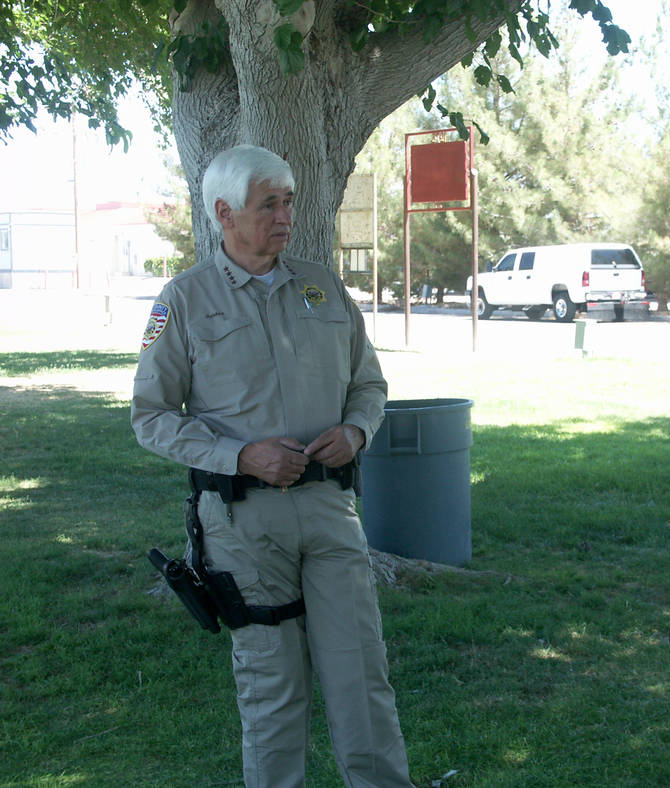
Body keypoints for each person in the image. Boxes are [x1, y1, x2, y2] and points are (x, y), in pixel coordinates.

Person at [132, 144, 414, 788]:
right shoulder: (182, 301)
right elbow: (151, 416)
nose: (285, 216)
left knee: (361, 677)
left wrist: (355, 429)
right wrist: (239, 454)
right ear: (224, 213)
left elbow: (369, 385)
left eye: (288, 202)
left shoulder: (322, 287)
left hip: (330, 512)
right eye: (269, 205)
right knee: (272, 691)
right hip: (243, 524)